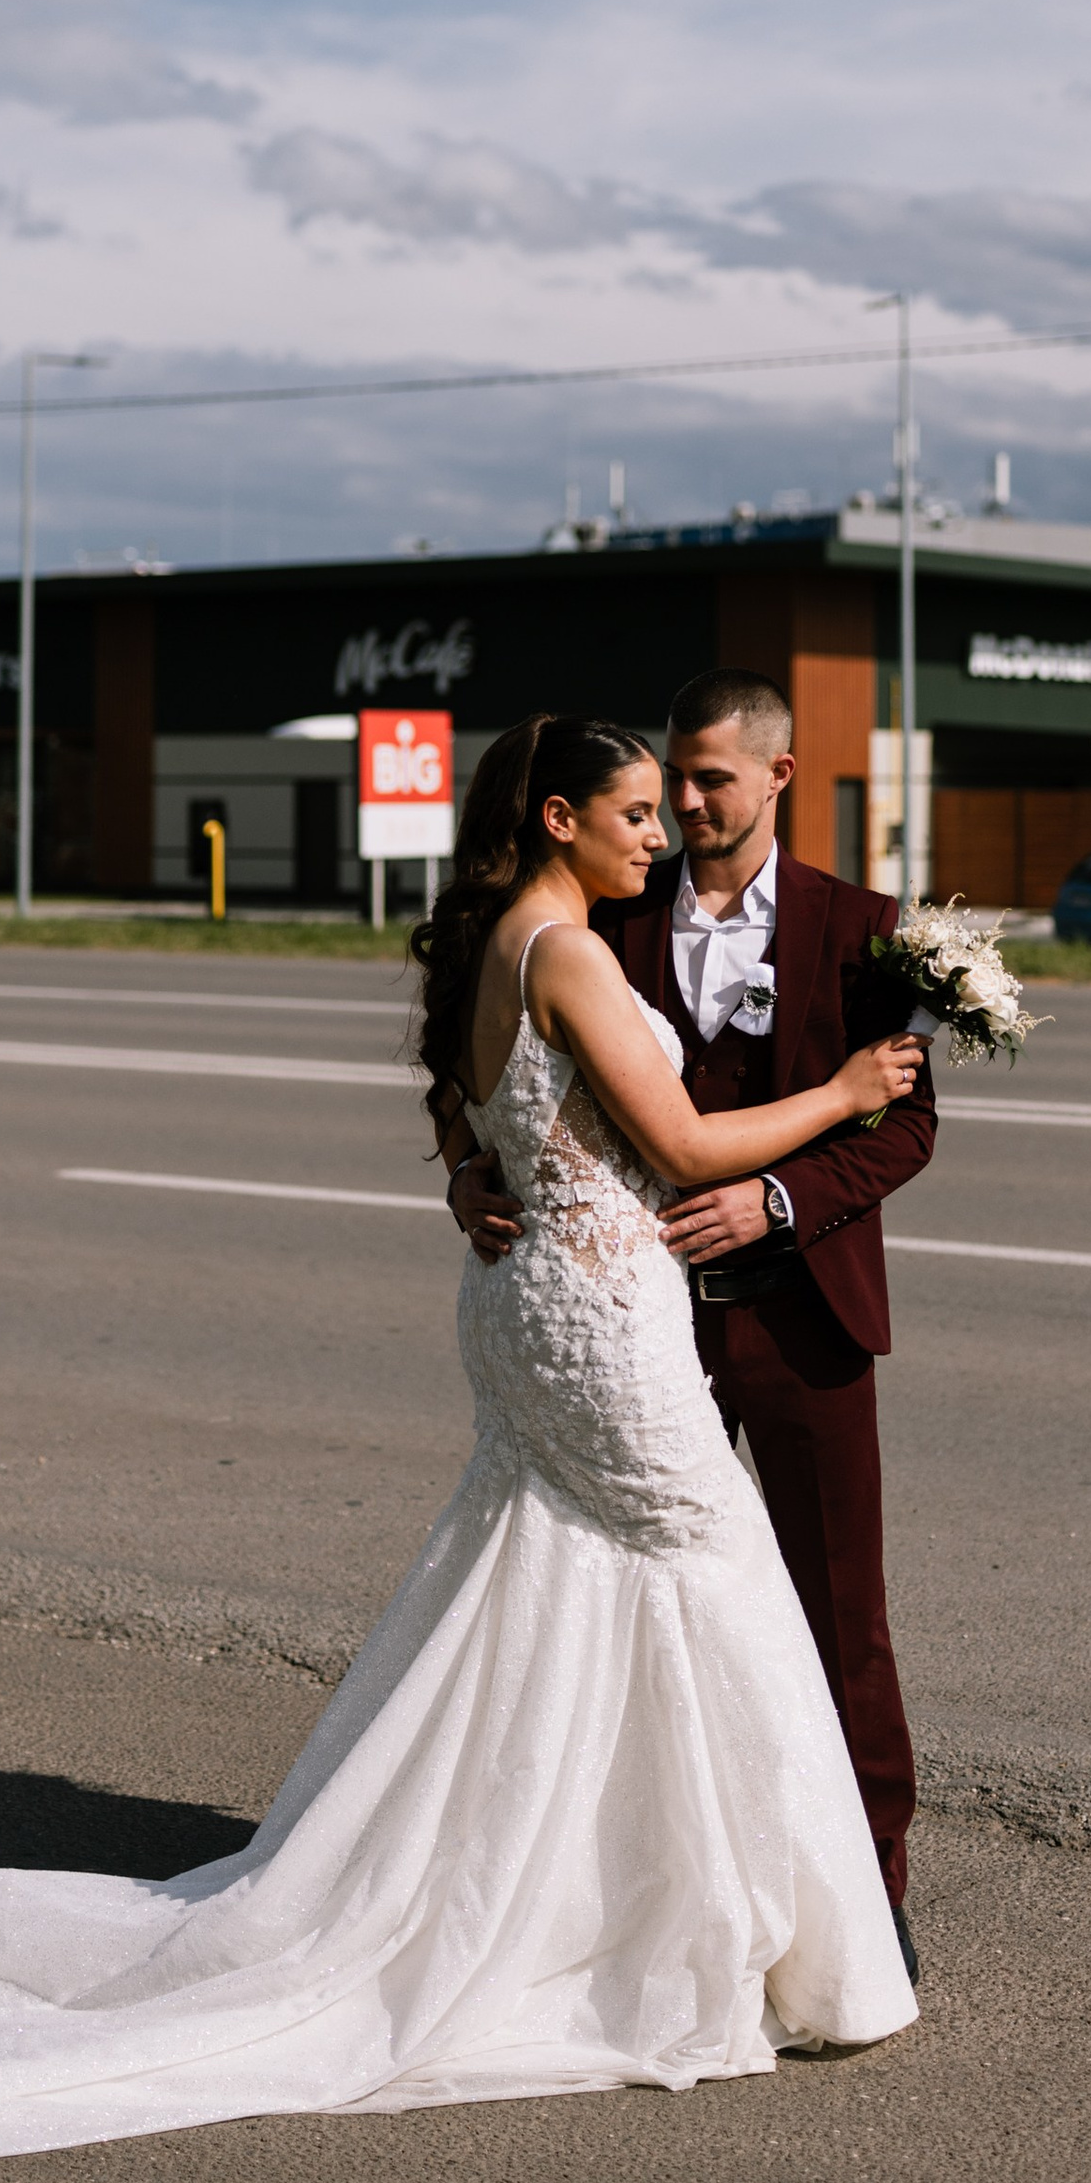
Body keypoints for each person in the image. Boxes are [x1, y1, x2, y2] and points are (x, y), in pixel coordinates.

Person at [0, 713, 919, 2177]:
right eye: (636, 813)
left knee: (559, 1592)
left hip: (529, 1309)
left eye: (669, 813)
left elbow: (486, 1113)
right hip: (599, 1323)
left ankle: (604, 1901)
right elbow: (677, 1142)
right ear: (557, 817)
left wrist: (483, 1167)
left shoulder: (497, 944)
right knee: (717, 1571)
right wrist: (848, 1094)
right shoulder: (567, 952)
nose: (657, 837)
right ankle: (738, 1939)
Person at [447, 670, 932, 1972]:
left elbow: (908, 1121)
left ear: (780, 773)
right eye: (673, 781)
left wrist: (775, 1200)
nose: (688, 808)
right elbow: (482, 1066)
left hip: (804, 1314)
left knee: (836, 1616)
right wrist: (473, 1170)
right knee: (643, 1603)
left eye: (714, 780)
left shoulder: (861, 925)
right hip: (631, 1331)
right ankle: (641, 1877)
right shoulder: (606, 904)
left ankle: (865, 1882)